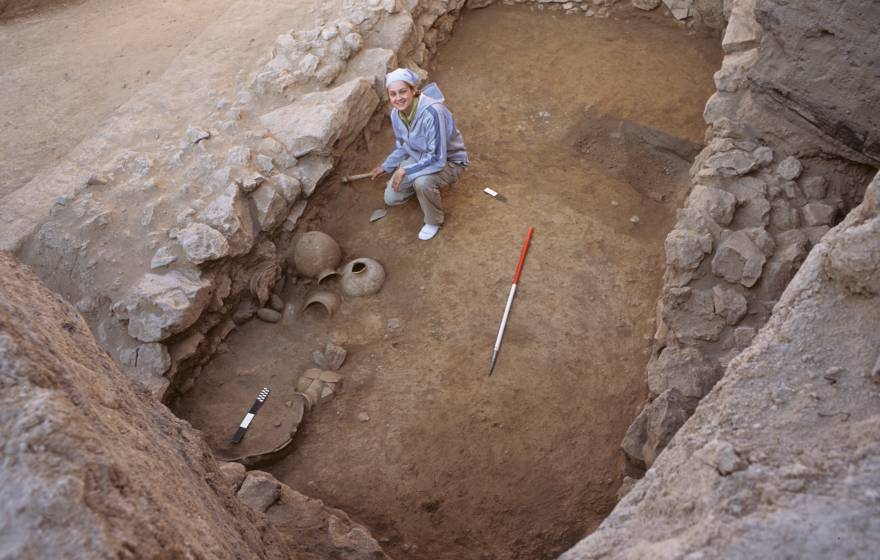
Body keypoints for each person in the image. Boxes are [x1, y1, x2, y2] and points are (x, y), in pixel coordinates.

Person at [370, 68, 469, 240]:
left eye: (403, 91)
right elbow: (402, 145)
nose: (398, 98)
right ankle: (423, 191)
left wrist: (405, 171)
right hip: (420, 158)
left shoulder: (433, 113)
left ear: (413, 90)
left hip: (449, 161)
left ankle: (433, 220)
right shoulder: (396, 114)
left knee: (422, 182)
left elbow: (438, 158)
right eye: (393, 94)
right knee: (391, 198)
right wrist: (387, 166)